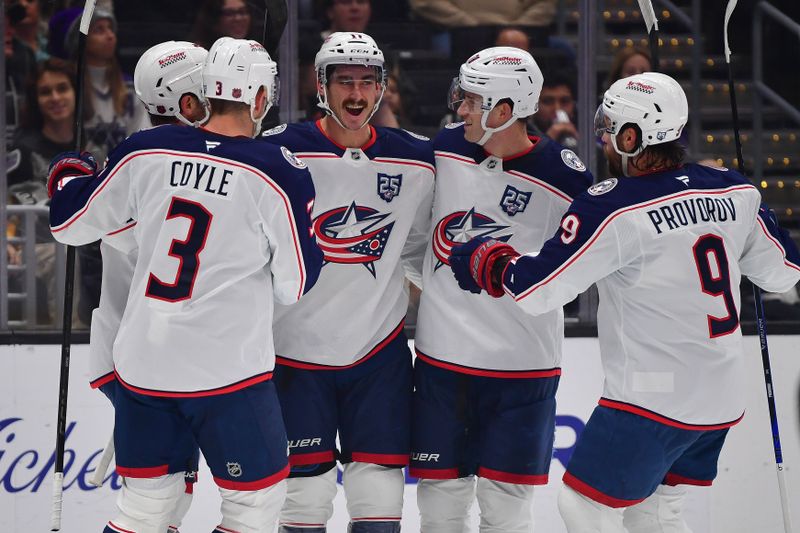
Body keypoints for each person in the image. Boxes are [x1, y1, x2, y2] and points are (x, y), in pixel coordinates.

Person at [448, 72, 800, 533]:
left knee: (582, 505)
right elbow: (782, 273)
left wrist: (487, 259)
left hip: (653, 396)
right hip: (721, 396)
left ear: (632, 137)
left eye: (610, 127)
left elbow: (540, 289)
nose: (604, 137)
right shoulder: (734, 190)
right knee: (656, 510)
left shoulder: (613, 206)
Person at [48, 37, 323, 533]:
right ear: (260, 98)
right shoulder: (277, 170)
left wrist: (68, 176)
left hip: (144, 368)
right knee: (254, 509)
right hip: (227, 375)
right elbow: (295, 283)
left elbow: (69, 225)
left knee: (146, 510)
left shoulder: (143, 150)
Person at [410, 46, 593, 533]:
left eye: (472, 101)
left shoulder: (568, 181)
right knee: (439, 512)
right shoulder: (442, 149)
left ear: (505, 110)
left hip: (522, 373)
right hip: (441, 365)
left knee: (507, 515)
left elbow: (577, 275)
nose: (460, 109)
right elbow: (413, 239)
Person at [260, 31, 435, 533]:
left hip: (377, 357)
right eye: (344, 82)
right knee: (305, 498)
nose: (356, 94)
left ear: (382, 87)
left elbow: (419, 246)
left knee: (378, 494)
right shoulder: (277, 152)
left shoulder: (416, 161)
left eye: (367, 81)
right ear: (321, 84)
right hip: (292, 354)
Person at [86, 40, 211, 533]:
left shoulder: (157, 156)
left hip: (161, 360)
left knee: (171, 504)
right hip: (137, 361)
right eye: (210, 89)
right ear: (186, 100)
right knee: (152, 507)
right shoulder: (148, 165)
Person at [531, 67, 579, 149]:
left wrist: (580, 144)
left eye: (565, 101)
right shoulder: (522, 142)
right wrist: (549, 140)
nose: (557, 109)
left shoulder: (590, 137)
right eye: (548, 102)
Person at [191, 0, 257, 49]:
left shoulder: (257, 48)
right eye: (229, 13)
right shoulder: (199, 51)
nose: (238, 18)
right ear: (213, 19)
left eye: (243, 11)